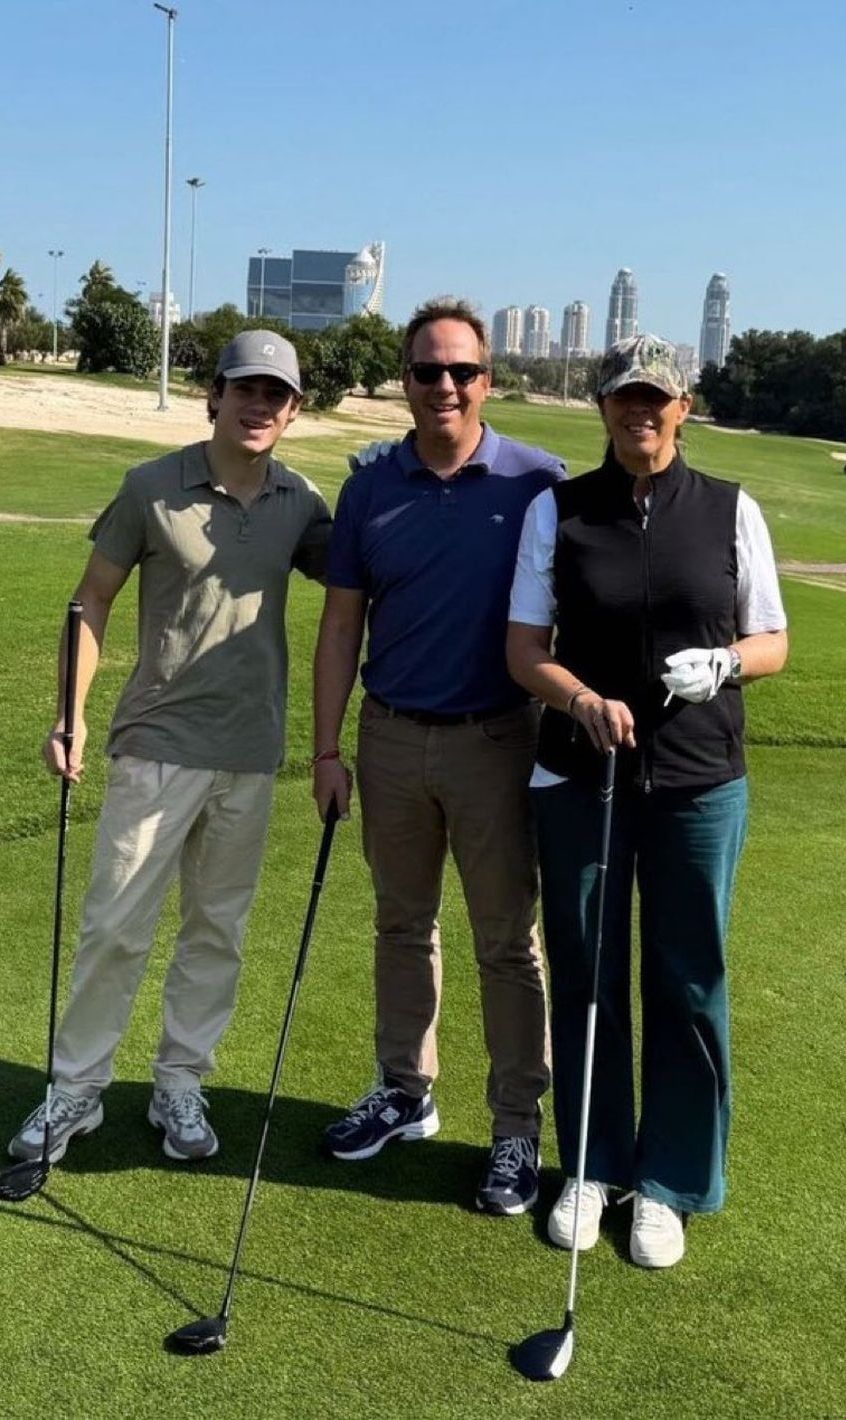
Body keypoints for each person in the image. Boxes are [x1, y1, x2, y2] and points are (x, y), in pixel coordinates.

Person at [6, 331, 332, 1166]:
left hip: (251, 752)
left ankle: (180, 1082)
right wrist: (68, 716)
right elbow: (90, 603)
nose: (260, 406)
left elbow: (361, 579)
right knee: (116, 925)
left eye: (277, 395)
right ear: (213, 396)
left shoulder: (302, 501)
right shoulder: (152, 487)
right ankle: (76, 1090)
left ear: (294, 410)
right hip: (156, 742)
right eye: (245, 389)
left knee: (216, 931)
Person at [506, 333, 788, 1267]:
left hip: (701, 780)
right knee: (587, 975)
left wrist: (726, 663)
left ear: (685, 407)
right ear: (601, 407)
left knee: (688, 977)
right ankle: (593, 1165)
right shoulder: (561, 511)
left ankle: (669, 1181)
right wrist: (579, 698)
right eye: (626, 396)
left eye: (658, 398)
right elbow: (524, 648)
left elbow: (772, 642)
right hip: (583, 774)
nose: (643, 411)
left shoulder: (730, 511)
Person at [312, 297, 564, 1216]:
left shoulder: (539, 483)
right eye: (428, 371)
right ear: (405, 382)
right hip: (388, 737)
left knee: (507, 942)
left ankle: (513, 1132)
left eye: (462, 371)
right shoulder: (371, 486)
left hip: (497, 741)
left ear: (489, 382)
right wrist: (328, 748)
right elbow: (342, 625)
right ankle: (404, 1093)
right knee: (400, 923)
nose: (446, 386)